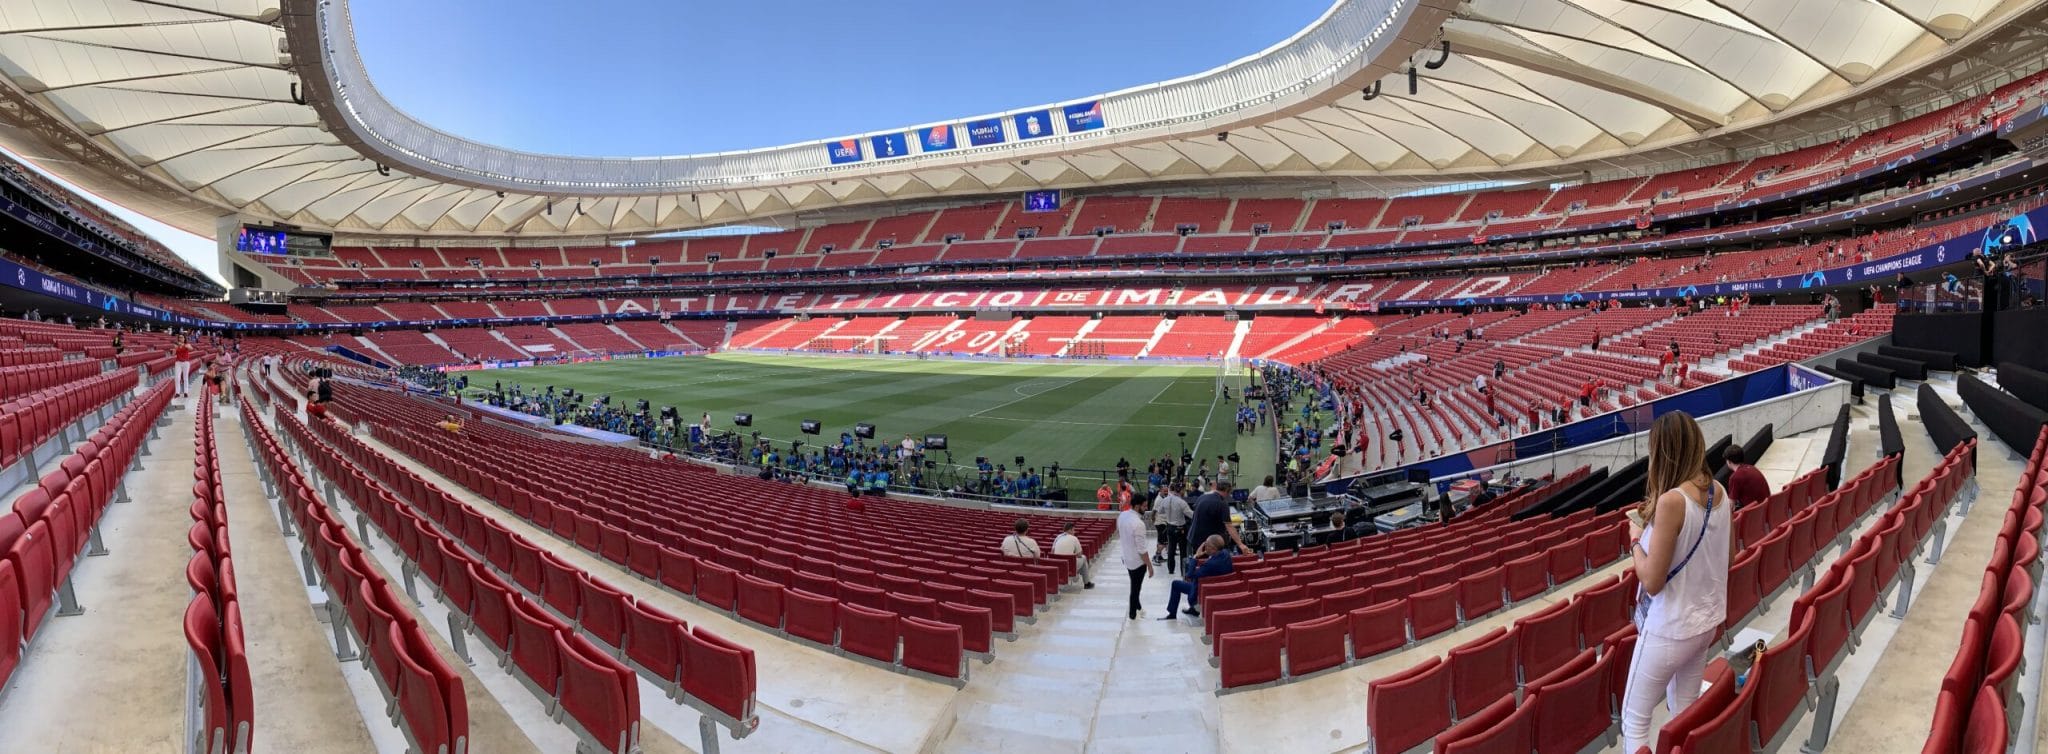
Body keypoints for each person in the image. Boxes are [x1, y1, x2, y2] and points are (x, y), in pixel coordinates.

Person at [1620, 411, 1733, 754]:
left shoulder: (1672, 502)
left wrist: (1636, 542)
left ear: (1662, 452)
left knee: (1634, 721)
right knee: (1684, 715)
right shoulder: (1721, 492)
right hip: (1705, 623)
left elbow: (1652, 581)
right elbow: (1728, 559)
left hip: (1669, 628)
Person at [1161, 535, 1235, 620]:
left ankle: (1173, 614)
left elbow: (1189, 576)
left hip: (1202, 596)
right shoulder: (1226, 555)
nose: (1204, 547)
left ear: (1213, 548)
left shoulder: (1209, 565)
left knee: (1176, 584)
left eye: (1206, 545)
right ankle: (1192, 611)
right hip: (1220, 591)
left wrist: (1195, 557)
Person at [1186, 480, 1250, 556]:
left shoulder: (1202, 497)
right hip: (1207, 543)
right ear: (1227, 491)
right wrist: (1241, 544)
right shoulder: (1222, 503)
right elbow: (1229, 526)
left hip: (1192, 538)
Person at [1118, 497, 1153, 620]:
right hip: (1137, 561)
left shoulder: (1122, 515)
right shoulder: (1138, 524)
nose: (1146, 508)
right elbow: (1142, 550)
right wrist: (1149, 565)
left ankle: (1138, 607)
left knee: (1135, 584)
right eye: (1144, 506)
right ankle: (1132, 614)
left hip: (1127, 557)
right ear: (1137, 506)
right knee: (1135, 588)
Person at [1154, 484, 1192, 573]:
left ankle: (1171, 570)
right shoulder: (1181, 502)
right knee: (1183, 550)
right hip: (1180, 527)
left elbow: (1160, 511)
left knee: (1171, 549)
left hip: (1170, 526)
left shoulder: (1165, 500)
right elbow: (1190, 514)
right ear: (1181, 491)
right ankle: (1183, 571)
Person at [1723, 444, 1769, 509]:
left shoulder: (1735, 477)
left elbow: (1731, 506)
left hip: (1754, 513)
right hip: (1765, 508)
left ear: (1729, 462)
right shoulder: (1752, 468)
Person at [1052, 521, 1093, 589]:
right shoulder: (1074, 538)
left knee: (1081, 561)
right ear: (1070, 530)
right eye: (1074, 530)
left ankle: (1080, 577)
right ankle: (1086, 583)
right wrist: (1073, 555)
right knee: (1084, 558)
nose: (1074, 532)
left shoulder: (1058, 537)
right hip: (1069, 565)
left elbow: (1052, 552)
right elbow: (1080, 554)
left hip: (1057, 564)